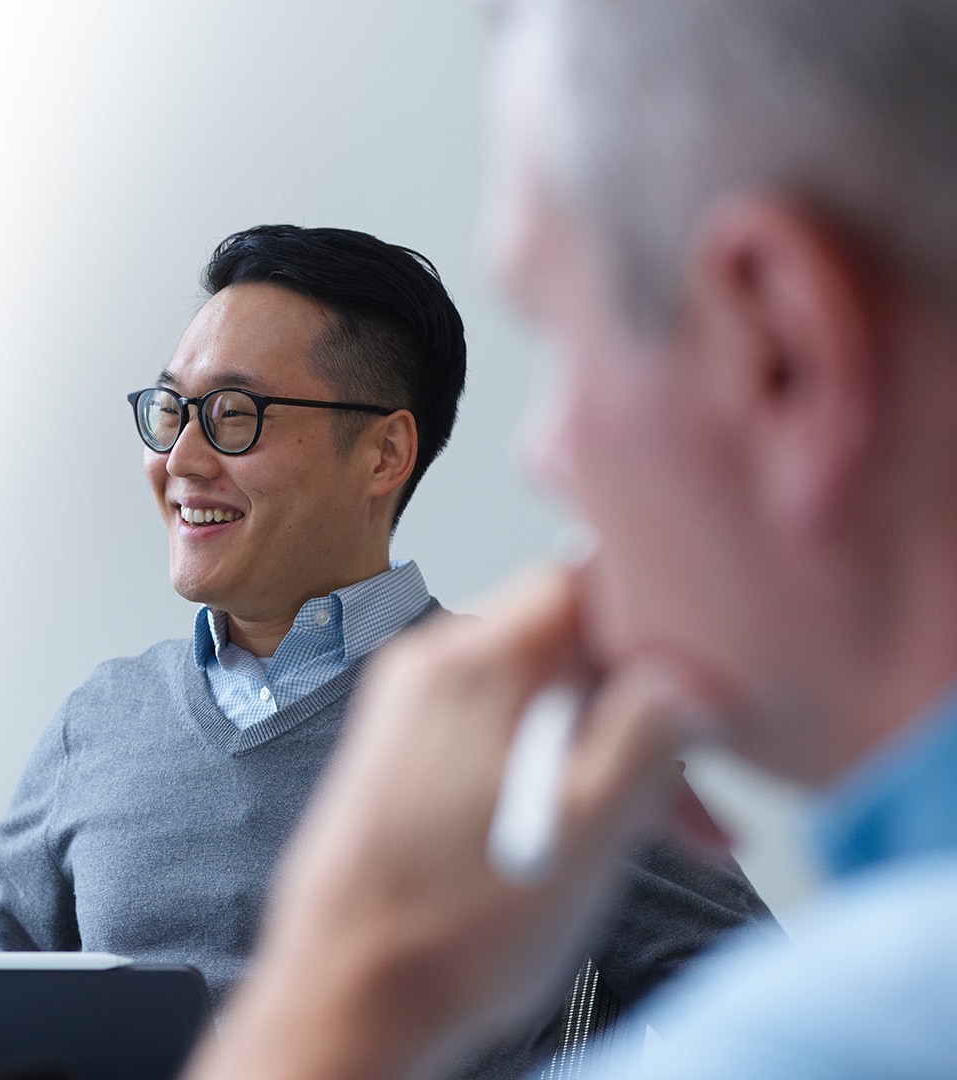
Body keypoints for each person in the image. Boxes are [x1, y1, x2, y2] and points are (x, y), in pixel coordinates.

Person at [186, 2, 957, 1079]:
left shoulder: (811, 1042)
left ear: (781, 351)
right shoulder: (96, 724)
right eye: (172, 412)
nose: (539, 452)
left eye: (554, 325)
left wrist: (342, 996)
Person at [0, 225, 772, 1078]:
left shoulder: (531, 713)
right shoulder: (101, 722)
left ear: (384, 453)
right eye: (172, 411)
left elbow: (770, 1009)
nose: (180, 460)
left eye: (233, 415)